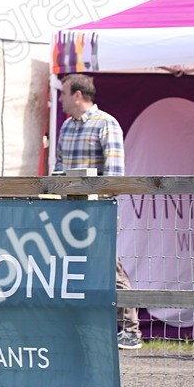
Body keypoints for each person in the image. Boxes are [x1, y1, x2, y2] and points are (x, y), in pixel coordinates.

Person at [55, 74, 141, 350]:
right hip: (68, 210)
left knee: (108, 266)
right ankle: (82, 329)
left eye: (64, 93)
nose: (60, 99)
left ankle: (131, 329)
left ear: (78, 95)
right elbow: (58, 167)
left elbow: (114, 175)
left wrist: (98, 206)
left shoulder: (106, 124)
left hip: (97, 210)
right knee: (74, 269)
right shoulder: (67, 126)